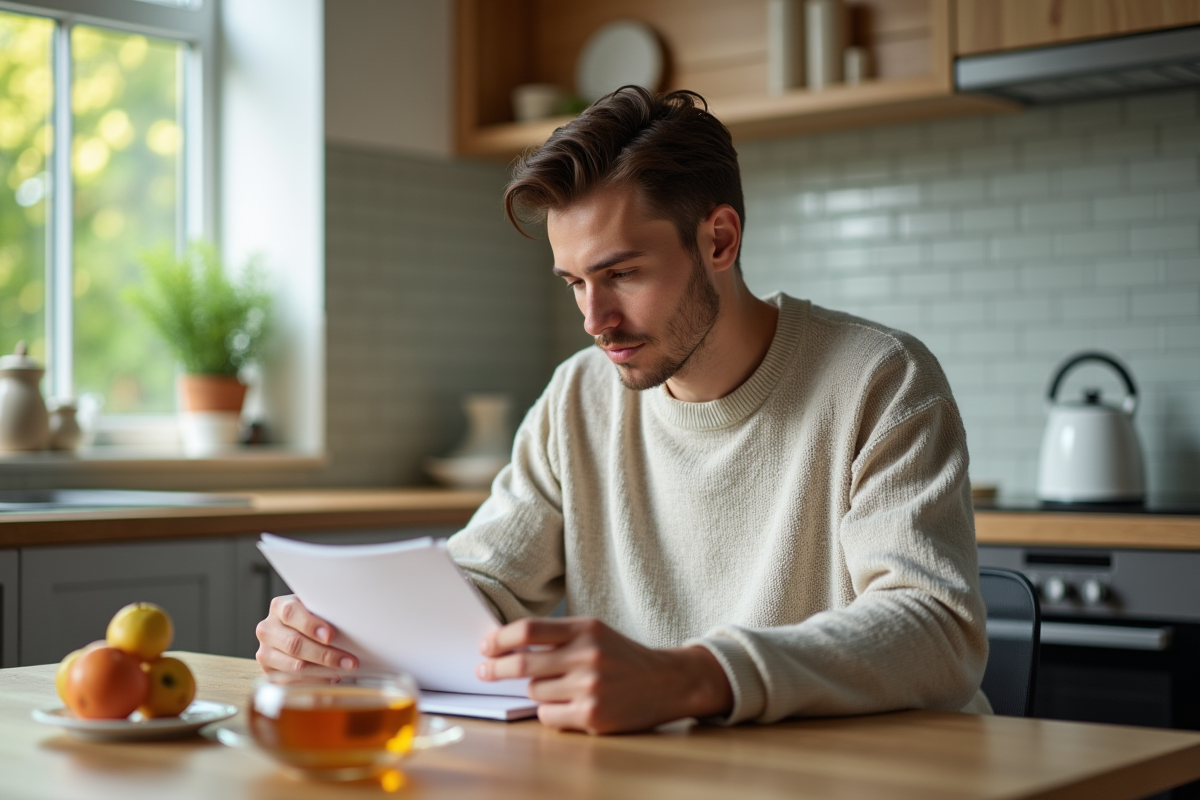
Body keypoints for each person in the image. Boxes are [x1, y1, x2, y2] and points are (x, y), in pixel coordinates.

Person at [256, 86, 991, 734]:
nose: (594, 318)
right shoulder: (578, 397)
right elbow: (486, 588)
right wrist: (340, 639)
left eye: (622, 274)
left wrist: (692, 677)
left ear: (720, 239)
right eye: (574, 282)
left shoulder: (880, 380)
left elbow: (937, 630)